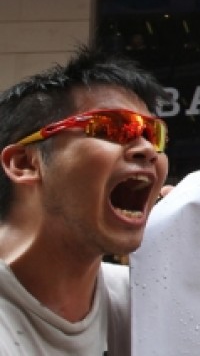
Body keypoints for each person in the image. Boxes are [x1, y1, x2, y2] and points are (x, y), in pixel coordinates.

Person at [0, 46, 169, 355]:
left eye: (153, 134)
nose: (147, 149)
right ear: (25, 163)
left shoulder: (144, 298)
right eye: (112, 127)